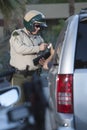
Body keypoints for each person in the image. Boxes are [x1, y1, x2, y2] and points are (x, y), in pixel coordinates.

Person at [9, 10, 54, 104]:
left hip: (35, 75)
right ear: (30, 24)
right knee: (19, 106)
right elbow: (20, 49)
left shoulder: (38, 37)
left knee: (36, 107)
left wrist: (44, 59)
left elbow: (39, 56)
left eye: (40, 27)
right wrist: (38, 48)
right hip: (20, 76)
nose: (38, 29)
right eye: (37, 26)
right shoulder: (17, 34)